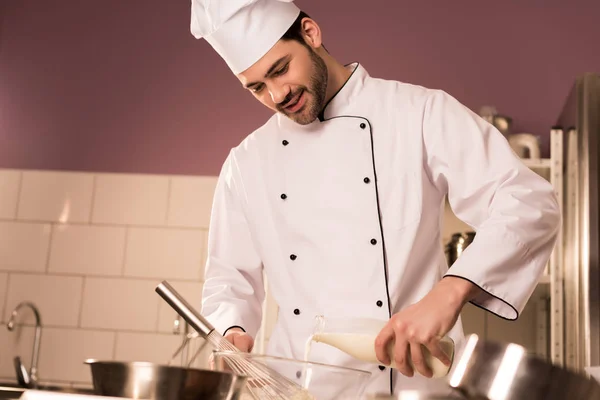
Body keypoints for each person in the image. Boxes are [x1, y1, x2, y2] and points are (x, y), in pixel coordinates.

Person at [191, 0, 561, 396]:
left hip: (407, 385)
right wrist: (232, 331)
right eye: (257, 88)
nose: (277, 95)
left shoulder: (417, 113)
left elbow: (527, 201)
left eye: (280, 69)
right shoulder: (247, 163)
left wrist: (451, 291)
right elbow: (229, 279)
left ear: (311, 34)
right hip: (300, 388)